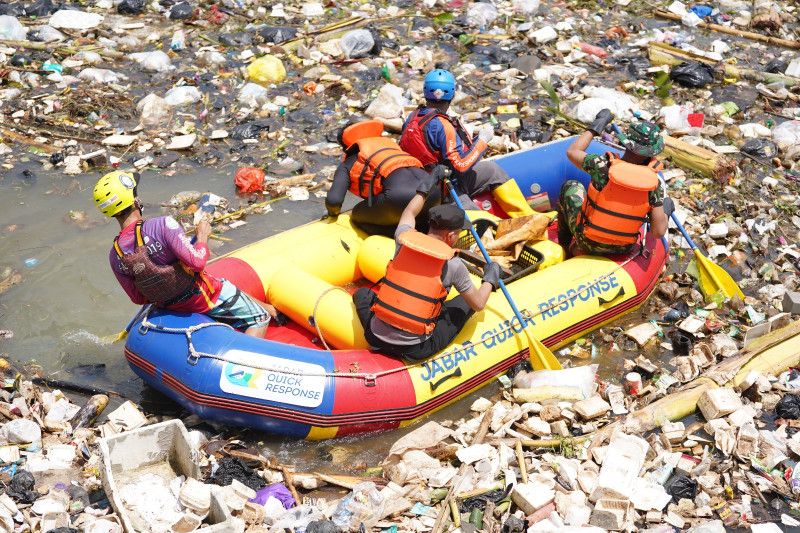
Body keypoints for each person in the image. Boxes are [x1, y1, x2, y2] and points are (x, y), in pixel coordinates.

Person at [93, 171, 278, 337]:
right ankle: (244, 358)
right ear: (135, 201)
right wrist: (202, 237)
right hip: (201, 296)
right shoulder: (163, 224)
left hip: (170, 305)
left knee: (225, 283)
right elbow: (197, 263)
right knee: (260, 318)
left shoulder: (115, 255)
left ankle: (272, 310)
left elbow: (138, 298)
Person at [353, 183, 501, 360]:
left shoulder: (402, 239)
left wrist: (424, 189)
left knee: (362, 294)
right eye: (460, 233)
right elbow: (478, 304)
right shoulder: (453, 264)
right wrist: (489, 279)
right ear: (451, 236)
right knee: (464, 302)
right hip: (415, 348)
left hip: (374, 335)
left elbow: (409, 212)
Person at [398, 68, 534, 218]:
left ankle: (526, 215)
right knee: (479, 222)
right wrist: (483, 140)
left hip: (422, 182)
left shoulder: (412, 117)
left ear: (425, 92)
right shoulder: (443, 125)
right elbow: (461, 166)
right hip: (443, 190)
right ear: (452, 95)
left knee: (492, 169)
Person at [559, 109, 673, 257]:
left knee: (572, 186)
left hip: (587, 240)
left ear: (625, 142)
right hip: (624, 248)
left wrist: (596, 127)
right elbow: (658, 232)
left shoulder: (602, 166)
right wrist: (666, 211)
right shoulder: (653, 184)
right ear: (653, 152)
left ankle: (565, 248)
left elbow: (572, 152)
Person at [325, 119, 441, 236]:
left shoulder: (348, 163)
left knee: (356, 214)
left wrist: (332, 215)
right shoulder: (391, 146)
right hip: (433, 192)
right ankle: (423, 226)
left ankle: (398, 234)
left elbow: (334, 201)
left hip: (400, 199)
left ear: (346, 147)